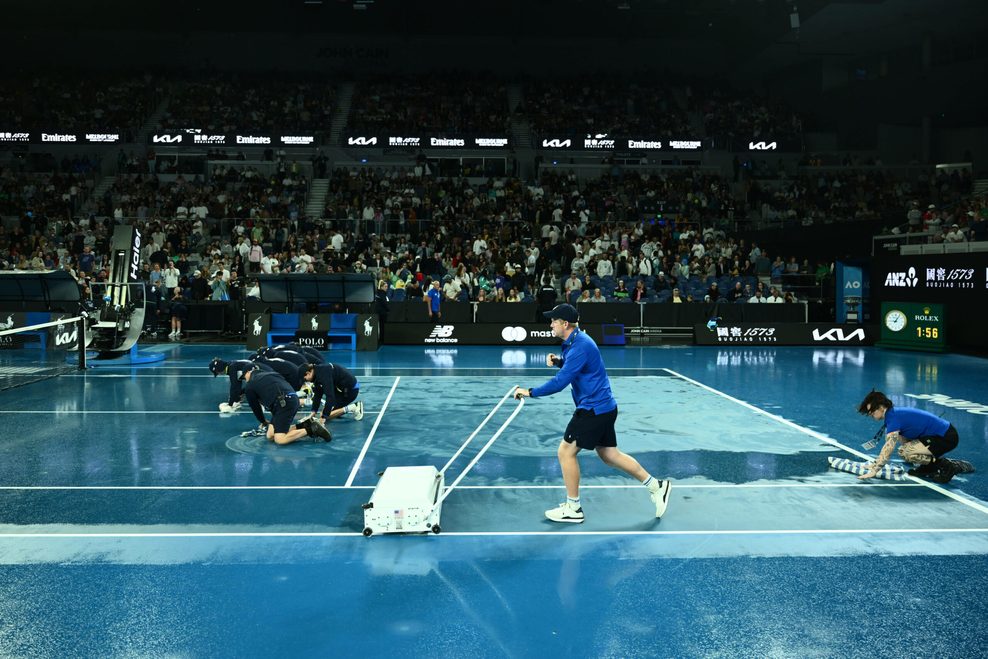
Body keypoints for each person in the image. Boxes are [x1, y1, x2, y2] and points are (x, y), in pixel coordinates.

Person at [513, 303, 671, 523]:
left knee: (565, 452)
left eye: (553, 321)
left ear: (564, 324)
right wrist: (559, 362)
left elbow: (559, 383)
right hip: (604, 407)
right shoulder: (575, 341)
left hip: (593, 410)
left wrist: (529, 392)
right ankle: (656, 486)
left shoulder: (580, 345)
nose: (550, 325)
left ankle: (573, 508)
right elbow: (577, 367)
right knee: (609, 455)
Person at [857, 390, 974, 483]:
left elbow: (888, 448)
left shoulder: (893, 418)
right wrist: (876, 463)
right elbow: (902, 441)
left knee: (905, 452)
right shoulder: (893, 415)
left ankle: (948, 466)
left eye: (871, 410)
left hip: (946, 437)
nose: (870, 414)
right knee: (906, 448)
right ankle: (929, 467)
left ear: (881, 407)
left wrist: (875, 470)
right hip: (939, 435)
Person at [242, 368, 330, 444]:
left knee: (280, 439)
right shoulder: (271, 374)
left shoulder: (250, 386)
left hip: (283, 404)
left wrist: (263, 421)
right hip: (292, 399)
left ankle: (313, 429)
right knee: (270, 435)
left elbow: (256, 408)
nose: (245, 379)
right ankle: (304, 425)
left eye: (244, 376)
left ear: (249, 372)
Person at [299, 362, 364, 424]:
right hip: (342, 389)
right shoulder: (317, 371)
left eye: (305, 379)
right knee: (328, 411)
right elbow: (318, 394)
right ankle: (338, 410)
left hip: (350, 391)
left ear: (308, 373)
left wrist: (323, 418)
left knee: (325, 414)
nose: (306, 381)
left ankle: (354, 406)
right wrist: (313, 412)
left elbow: (330, 397)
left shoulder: (323, 374)